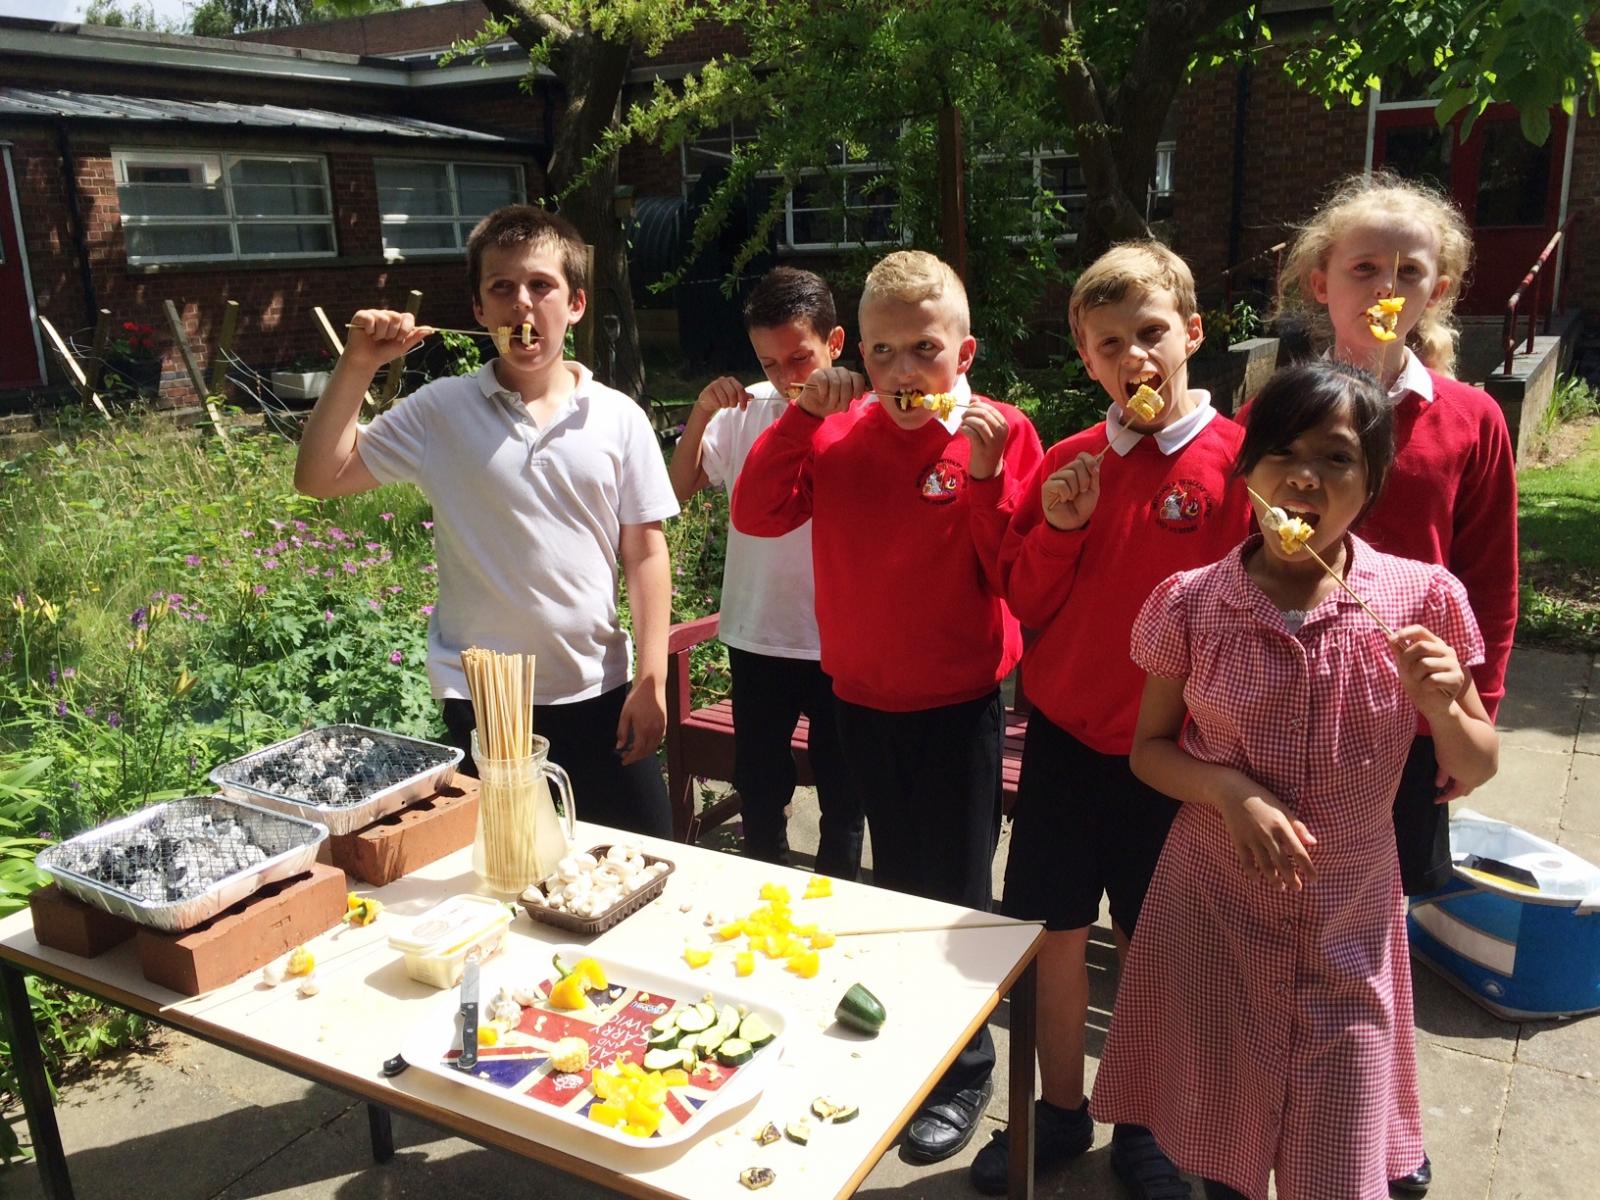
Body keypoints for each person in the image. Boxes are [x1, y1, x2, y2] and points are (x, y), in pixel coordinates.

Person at [1090, 359, 1500, 1200]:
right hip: (1214, 913)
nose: (1304, 477)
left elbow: (1475, 764)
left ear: (1374, 481)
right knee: (1221, 1150)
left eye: (1337, 458)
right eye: (1280, 453)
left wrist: (1447, 707)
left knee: (1339, 1159)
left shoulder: (1424, 601)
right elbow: (1151, 749)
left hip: (1350, 921)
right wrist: (1229, 792)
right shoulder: (1191, 602)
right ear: (1247, 472)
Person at [732, 249, 1043, 1163]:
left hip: (958, 702)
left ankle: (964, 1069)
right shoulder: (835, 429)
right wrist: (798, 418)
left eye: (925, 350)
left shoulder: (999, 433)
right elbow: (757, 514)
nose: (905, 373)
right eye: (882, 353)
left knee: (957, 900)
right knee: (893, 885)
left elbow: (1012, 575)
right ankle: (915, 1048)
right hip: (859, 696)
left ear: (965, 350)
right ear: (854, 352)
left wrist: (985, 476)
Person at [972, 241, 1253, 1199]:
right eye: (1109, 343)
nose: (1134, 357)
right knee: (1052, 932)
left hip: (1170, 756)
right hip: (1063, 740)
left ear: (1192, 335)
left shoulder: (1238, 464)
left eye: (1151, 334)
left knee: (1151, 940)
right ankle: (1057, 1112)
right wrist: (1057, 526)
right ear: (1086, 360)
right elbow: (1024, 597)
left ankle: (1147, 1118)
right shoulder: (1071, 459)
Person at [1271, 173, 1519, 1193]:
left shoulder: (1467, 420)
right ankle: (1276, 1105)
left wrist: (1472, 714)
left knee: (1378, 944)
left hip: (1400, 730)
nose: (1383, 284)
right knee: (1280, 920)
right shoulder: (1278, 408)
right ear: (1319, 283)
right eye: (1361, 267)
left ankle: (1377, 1127)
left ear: (1440, 289)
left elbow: (1492, 581)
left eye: (1406, 271)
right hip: (1284, 715)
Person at [293, 204, 679, 838]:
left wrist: (653, 678)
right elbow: (319, 476)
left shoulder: (617, 417)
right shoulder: (441, 411)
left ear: (575, 304)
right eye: (501, 288)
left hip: (599, 690)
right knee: (506, 876)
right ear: (478, 310)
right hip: (486, 703)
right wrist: (358, 363)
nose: (521, 305)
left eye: (540, 285)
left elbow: (645, 552)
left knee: (641, 860)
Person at [667, 266, 864, 879]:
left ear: (835, 344)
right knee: (760, 780)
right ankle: (763, 882)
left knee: (843, 788)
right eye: (769, 362)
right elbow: (677, 489)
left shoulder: (868, 413)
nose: (785, 377)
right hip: (757, 632)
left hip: (840, 637)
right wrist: (701, 413)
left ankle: (840, 893)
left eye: (798, 358)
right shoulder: (746, 411)